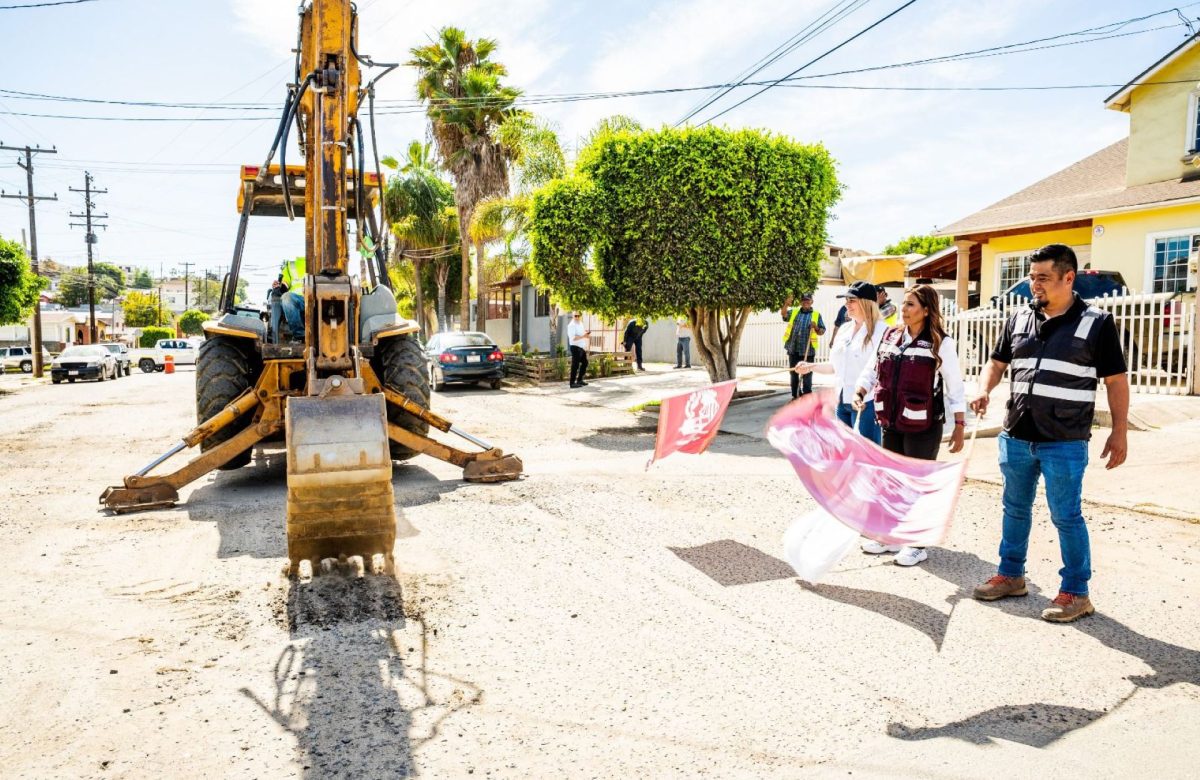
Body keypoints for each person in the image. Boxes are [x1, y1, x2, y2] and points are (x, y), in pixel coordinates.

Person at [969, 244, 1129, 623]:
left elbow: (1116, 381)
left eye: (1042, 277)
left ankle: (1076, 592)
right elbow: (996, 362)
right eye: (1031, 276)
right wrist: (984, 388)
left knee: (1066, 516)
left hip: (1066, 439)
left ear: (1068, 277)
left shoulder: (1097, 323)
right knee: (1015, 508)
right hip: (1017, 434)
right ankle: (1011, 575)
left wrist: (1119, 431)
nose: (1033, 284)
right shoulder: (1018, 318)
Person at [851, 284, 966, 566]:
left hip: (924, 425)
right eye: (904, 304)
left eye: (911, 305)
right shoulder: (891, 336)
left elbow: (955, 386)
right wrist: (860, 391)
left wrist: (960, 425)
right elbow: (873, 369)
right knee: (892, 481)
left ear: (927, 310)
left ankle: (917, 544)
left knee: (917, 484)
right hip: (891, 421)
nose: (904, 309)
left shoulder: (941, 343)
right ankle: (890, 536)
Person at [793, 281, 887, 444]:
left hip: (866, 403)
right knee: (845, 452)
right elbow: (834, 366)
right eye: (846, 300)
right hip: (842, 401)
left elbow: (879, 370)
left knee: (868, 453)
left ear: (866, 303)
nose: (847, 305)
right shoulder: (844, 330)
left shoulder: (882, 331)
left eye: (852, 300)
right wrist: (810, 367)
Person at [780, 292, 825, 399]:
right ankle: (795, 394)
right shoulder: (794, 312)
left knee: (807, 374)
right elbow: (784, 315)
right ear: (801, 302)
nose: (806, 302)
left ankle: (807, 396)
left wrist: (816, 328)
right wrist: (786, 304)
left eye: (808, 300)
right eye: (804, 300)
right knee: (794, 373)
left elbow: (822, 331)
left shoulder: (816, 315)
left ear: (811, 302)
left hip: (808, 350)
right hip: (793, 348)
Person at [271, 256, 306, 341]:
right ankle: (299, 336)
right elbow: (285, 284)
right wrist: (279, 287)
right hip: (298, 301)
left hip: (317, 298)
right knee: (286, 297)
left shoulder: (320, 262)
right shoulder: (291, 266)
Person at [567, 311, 591, 388]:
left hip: (581, 347)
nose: (577, 317)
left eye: (578, 316)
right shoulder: (571, 325)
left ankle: (579, 380)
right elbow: (573, 338)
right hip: (575, 347)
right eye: (575, 316)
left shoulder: (580, 323)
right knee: (575, 365)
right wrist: (583, 336)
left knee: (585, 362)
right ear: (572, 316)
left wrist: (586, 334)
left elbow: (581, 334)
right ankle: (572, 383)